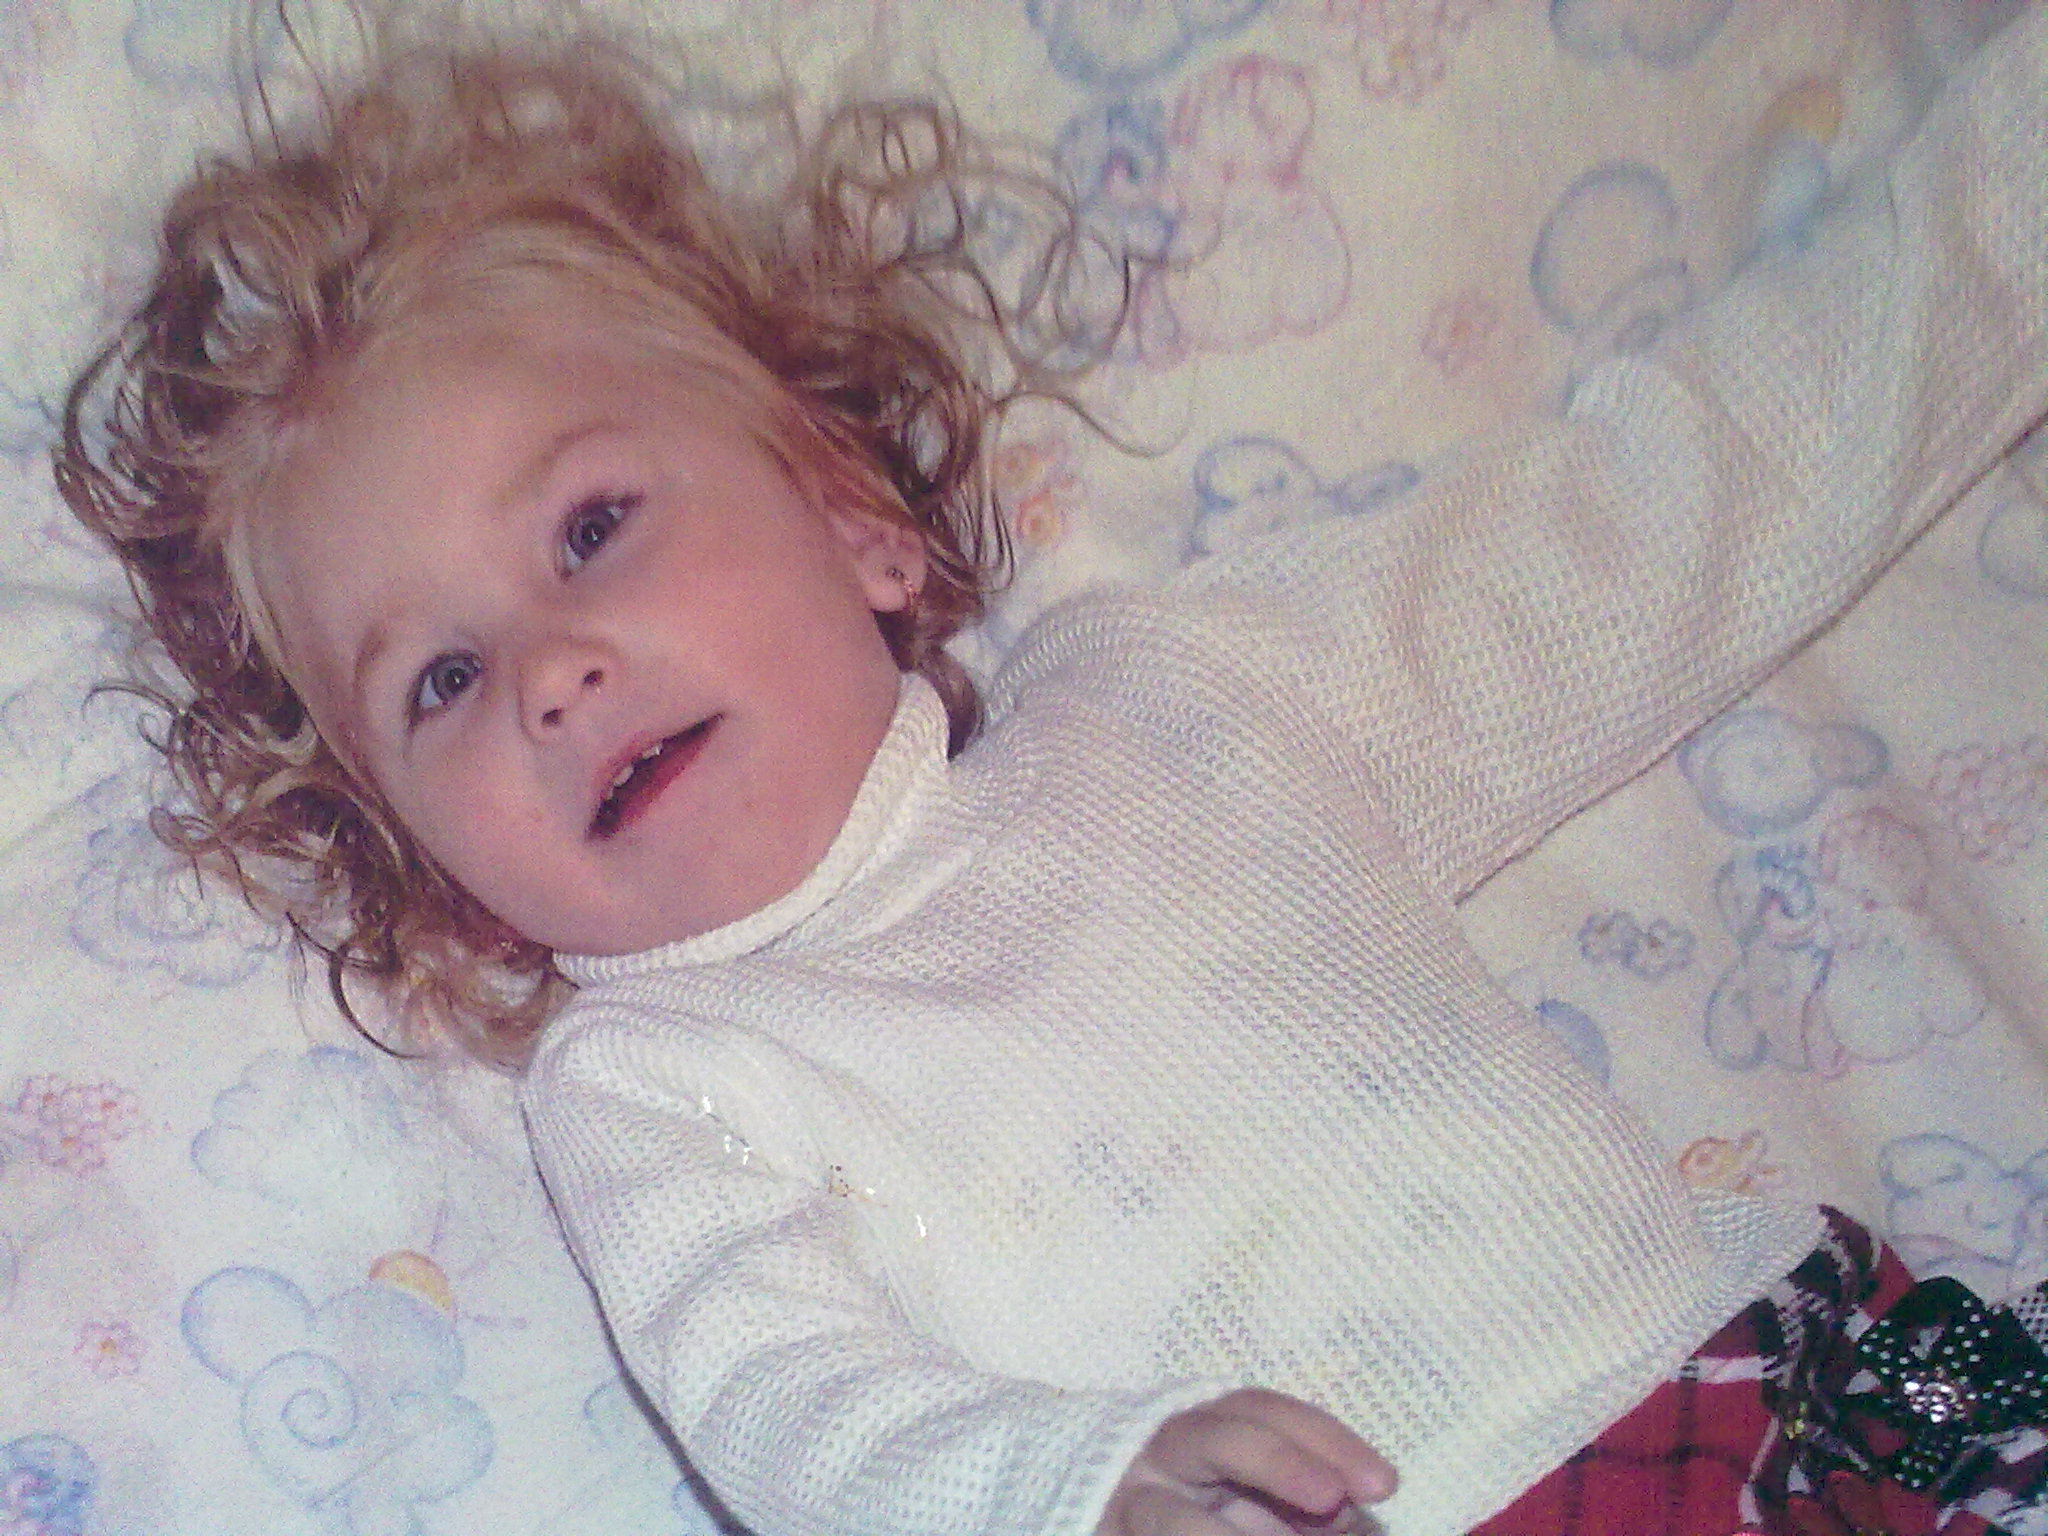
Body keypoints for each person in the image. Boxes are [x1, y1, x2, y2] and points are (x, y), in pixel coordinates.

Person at [52, 6, 2048, 1536]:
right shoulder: (658, 1083)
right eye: (442, 681)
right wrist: (1077, 1486)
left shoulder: (1189, 701)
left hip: (1773, 1417)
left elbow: (1662, 518)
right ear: (434, 868)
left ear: (856, 522)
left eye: (591, 528)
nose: (551, 678)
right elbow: (797, 1410)